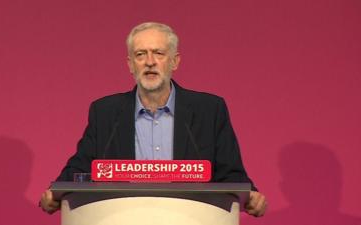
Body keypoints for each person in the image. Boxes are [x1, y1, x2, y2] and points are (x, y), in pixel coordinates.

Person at [39, 22, 267, 217]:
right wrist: (54, 193)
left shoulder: (209, 110)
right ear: (130, 64)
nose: (149, 62)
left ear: (174, 62)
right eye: (140, 54)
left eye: (158, 53)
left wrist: (251, 195)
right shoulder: (105, 112)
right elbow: (80, 169)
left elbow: (231, 174)